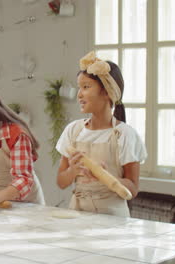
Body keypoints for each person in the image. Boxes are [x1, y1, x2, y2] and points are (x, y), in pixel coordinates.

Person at [55, 51, 147, 217]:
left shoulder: (125, 134)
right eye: (79, 87)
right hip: (77, 214)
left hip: (113, 219)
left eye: (86, 87)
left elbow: (132, 189)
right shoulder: (73, 131)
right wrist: (72, 171)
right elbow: (61, 182)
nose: (79, 94)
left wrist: (106, 177)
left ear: (107, 92)